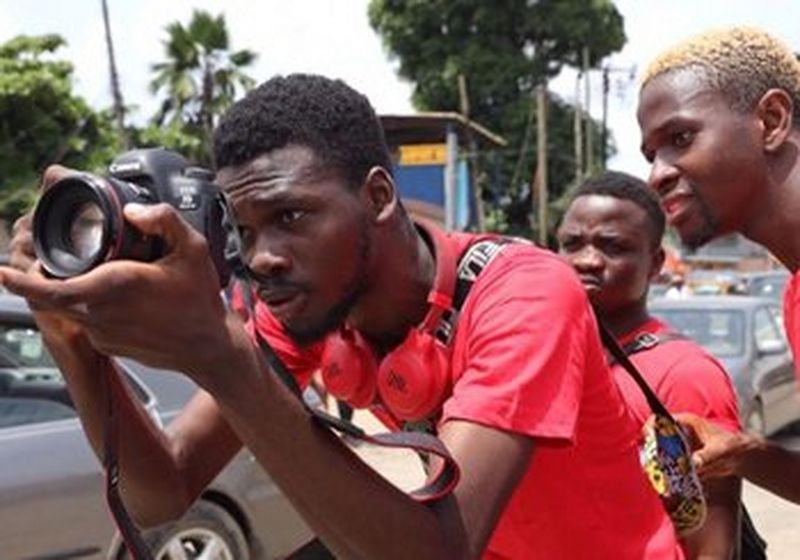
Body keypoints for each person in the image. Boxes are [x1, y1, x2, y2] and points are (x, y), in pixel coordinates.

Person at [1, 74, 681, 559]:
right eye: (244, 228)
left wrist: (224, 359)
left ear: (380, 196)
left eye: (290, 217)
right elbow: (163, 495)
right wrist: (73, 345)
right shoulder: (309, 307)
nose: (263, 256)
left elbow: (441, 549)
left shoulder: (524, 291)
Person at [637, 26, 800, 505]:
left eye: (681, 138)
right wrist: (744, 454)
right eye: (651, 154)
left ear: (771, 120)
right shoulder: (793, 296)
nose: (657, 174)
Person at [556, 171, 742, 558]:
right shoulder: (546, 358)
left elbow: (713, 546)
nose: (587, 260)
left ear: (655, 263)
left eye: (613, 247)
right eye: (572, 244)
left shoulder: (686, 374)